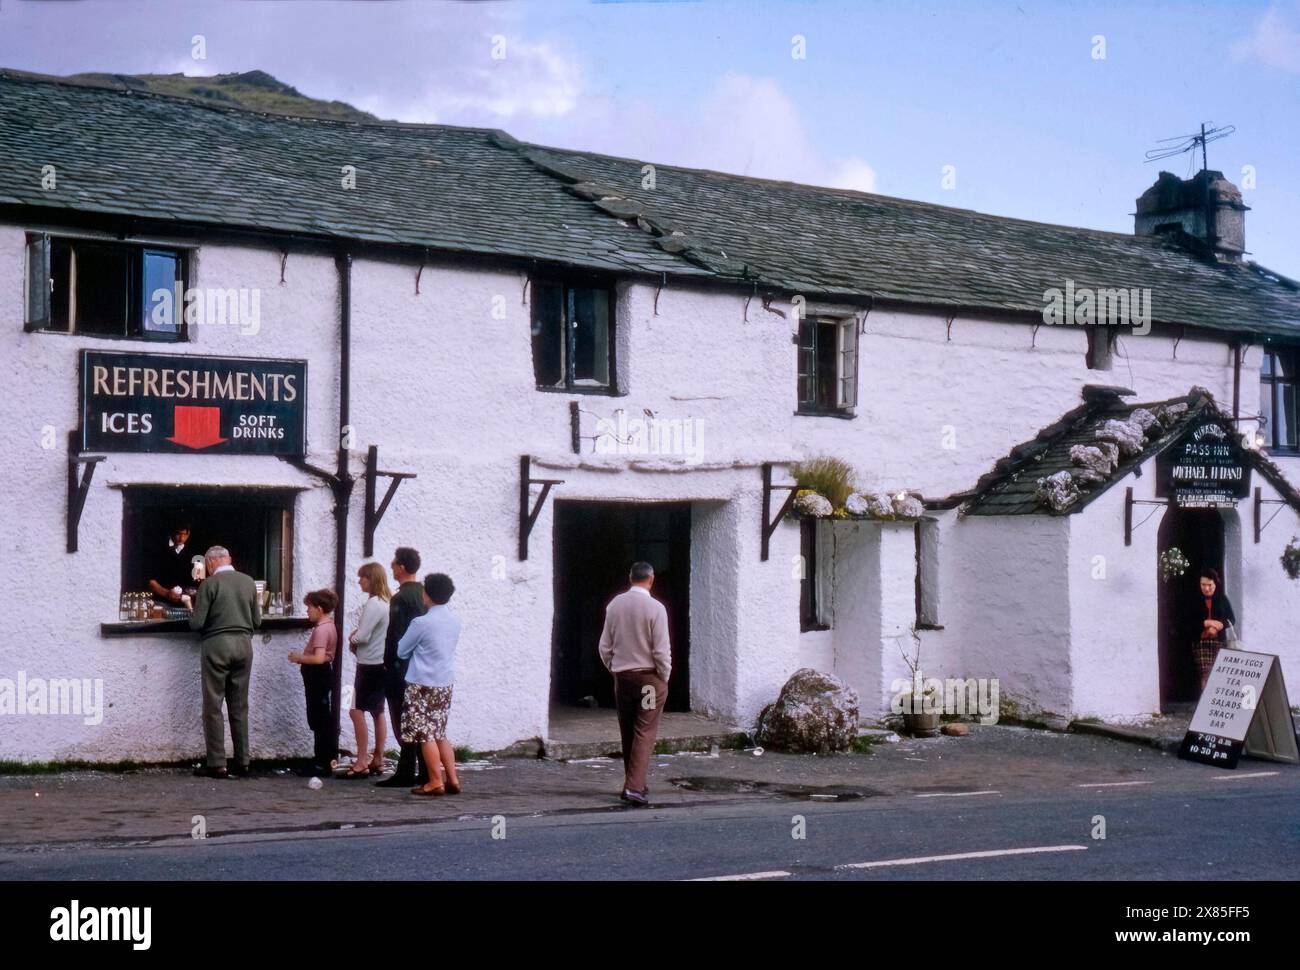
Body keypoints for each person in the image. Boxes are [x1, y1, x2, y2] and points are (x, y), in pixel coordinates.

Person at [598, 561, 671, 807]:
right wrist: (665, 675)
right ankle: (634, 787)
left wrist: (614, 668)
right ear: (651, 580)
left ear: (630, 578)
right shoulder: (656, 608)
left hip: (623, 678)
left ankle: (633, 780)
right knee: (645, 731)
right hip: (648, 679)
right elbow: (661, 650)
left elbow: (604, 647)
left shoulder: (614, 605)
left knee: (628, 730)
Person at [188, 545, 261, 779]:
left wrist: (189, 606)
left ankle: (217, 763)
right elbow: (257, 621)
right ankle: (243, 761)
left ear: (209, 564)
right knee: (239, 706)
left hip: (217, 645)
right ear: (229, 559)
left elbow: (197, 623)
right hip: (243, 646)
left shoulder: (209, 585)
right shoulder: (249, 582)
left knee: (213, 706)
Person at [395, 573, 462, 797]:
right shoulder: (454, 621)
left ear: (428, 594)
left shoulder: (421, 622)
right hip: (444, 681)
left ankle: (435, 781)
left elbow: (402, 650)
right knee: (440, 732)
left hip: (421, 682)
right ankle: (452, 778)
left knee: (425, 735)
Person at [375, 547, 430, 788]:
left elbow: (395, 637)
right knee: (420, 721)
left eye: (395, 563)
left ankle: (407, 771)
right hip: (424, 667)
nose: (392, 566)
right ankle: (424, 769)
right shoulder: (425, 595)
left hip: (402, 669)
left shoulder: (400, 598)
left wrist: (388, 665)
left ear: (403, 567)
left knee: (404, 720)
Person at [344, 563, 390, 778]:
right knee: (378, 711)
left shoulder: (373, 604)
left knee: (355, 710)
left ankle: (362, 760)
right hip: (381, 663)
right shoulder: (387, 602)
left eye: (362, 577)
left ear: (371, 579)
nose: (359, 581)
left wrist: (352, 637)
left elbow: (363, 636)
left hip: (368, 663)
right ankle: (378, 759)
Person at [288, 589, 339, 776]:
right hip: (322, 675)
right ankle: (324, 758)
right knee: (321, 717)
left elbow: (318, 658)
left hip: (318, 675)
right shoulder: (329, 626)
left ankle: (322, 761)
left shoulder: (321, 630)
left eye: (309, 607)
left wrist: (298, 658)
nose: (307, 611)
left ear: (319, 608)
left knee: (318, 718)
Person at [1192, 568, 1236, 693]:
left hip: (1219, 641)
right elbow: (1188, 621)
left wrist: (1219, 625)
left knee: (1218, 673)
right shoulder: (1194, 600)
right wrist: (1207, 622)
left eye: (1209, 585)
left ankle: (1215, 706)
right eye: (1203, 585)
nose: (1206, 588)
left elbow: (1232, 619)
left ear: (1215, 584)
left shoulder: (1222, 599)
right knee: (1206, 673)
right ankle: (1205, 704)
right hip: (1201, 642)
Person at [149, 522, 195, 606]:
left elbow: (199, 581)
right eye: (178, 533)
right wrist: (167, 594)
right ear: (171, 531)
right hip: (161, 603)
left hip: (186, 605)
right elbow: (151, 581)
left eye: (185, 534)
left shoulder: (194, 553)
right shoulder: (157, 549)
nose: (182, 538)